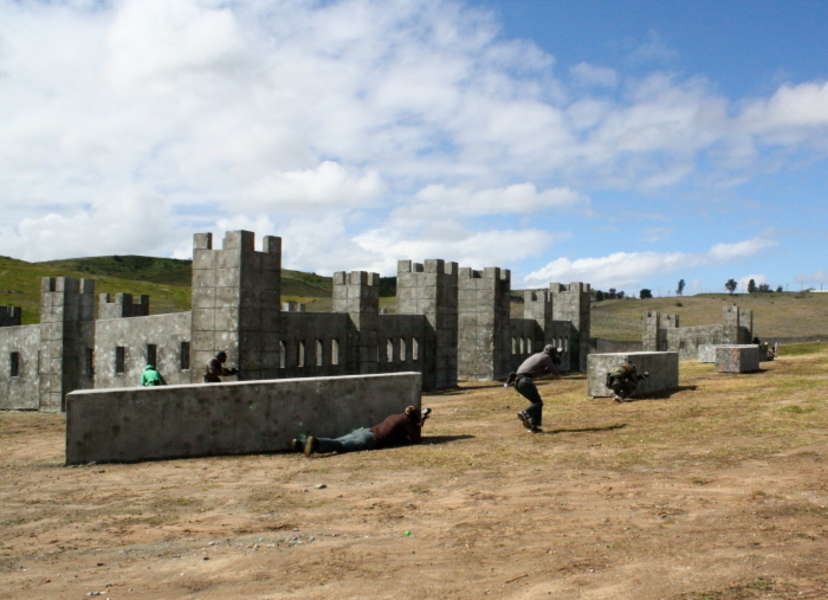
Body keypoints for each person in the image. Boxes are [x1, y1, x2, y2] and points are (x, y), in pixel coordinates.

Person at [292, 405, 431, 456]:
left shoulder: (395, 416)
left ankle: (302, 443)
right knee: (340, 446)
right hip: (370, 440)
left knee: (338, 440)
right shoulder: (407, 422)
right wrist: (421, 423)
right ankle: (315, 442)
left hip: (364, 431)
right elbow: (416, 439)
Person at [505, 344, 560, 433]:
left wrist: (547, 370)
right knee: (538, 403)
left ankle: (534, 427)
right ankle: (525, 413)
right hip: (524, 381)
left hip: (517, 382)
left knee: (536, 403)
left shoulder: (537, 355)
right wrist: (555, 364)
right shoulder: (546, 358)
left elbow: (536, 372)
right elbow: (556, 373)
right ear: (552, 353)